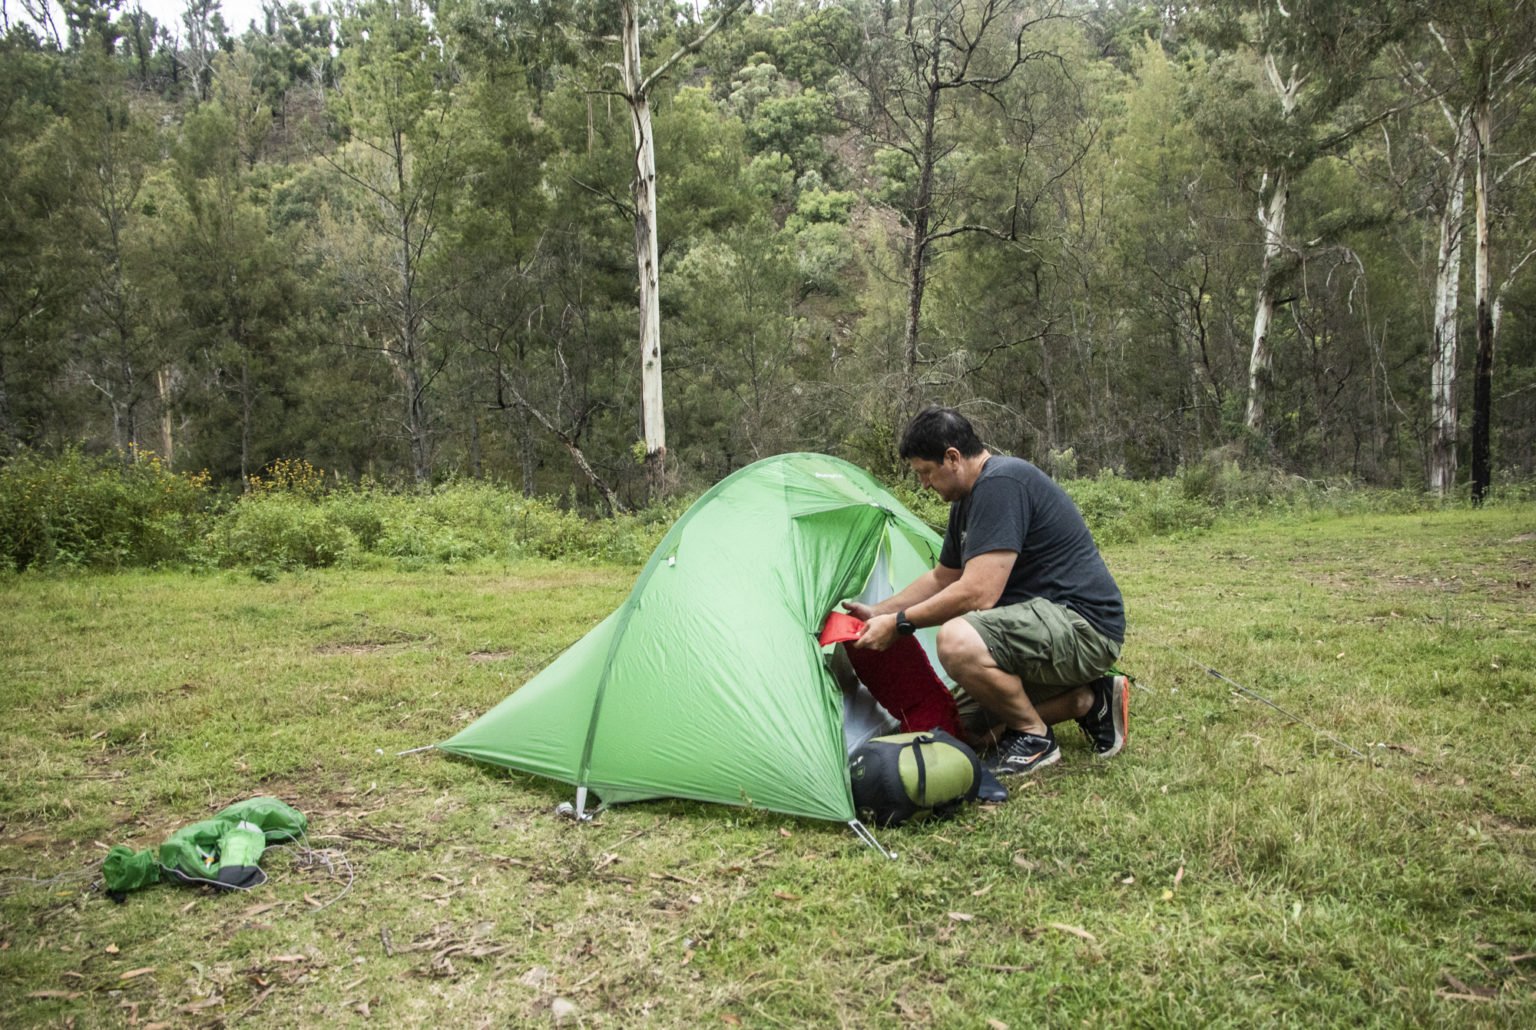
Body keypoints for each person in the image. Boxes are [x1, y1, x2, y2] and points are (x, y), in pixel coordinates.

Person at [845, 407, 1127, 775]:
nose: (924, 484)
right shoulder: (966, 500)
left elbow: (978, 593)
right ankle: (1087, 701)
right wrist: (879, 611)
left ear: (953, 458)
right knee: (962, 726)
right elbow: (943, 578)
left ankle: (1035, 738)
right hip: (1042, 632)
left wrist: (900, 624)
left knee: (956, 641)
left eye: (926, 472)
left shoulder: (1001, 483)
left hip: (1084, 628)